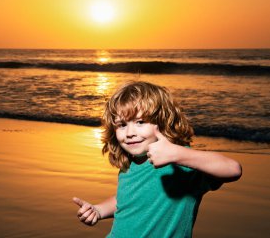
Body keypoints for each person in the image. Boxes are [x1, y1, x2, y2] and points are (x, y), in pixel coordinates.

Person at [73, 81, 242, 237]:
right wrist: (99, 210)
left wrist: (178, 154)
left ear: (162, 122)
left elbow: (233, 169)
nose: (130, 132)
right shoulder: (129, 164)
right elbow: (126, 200)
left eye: (140, 122)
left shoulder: (181, 163)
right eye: (122, 125)